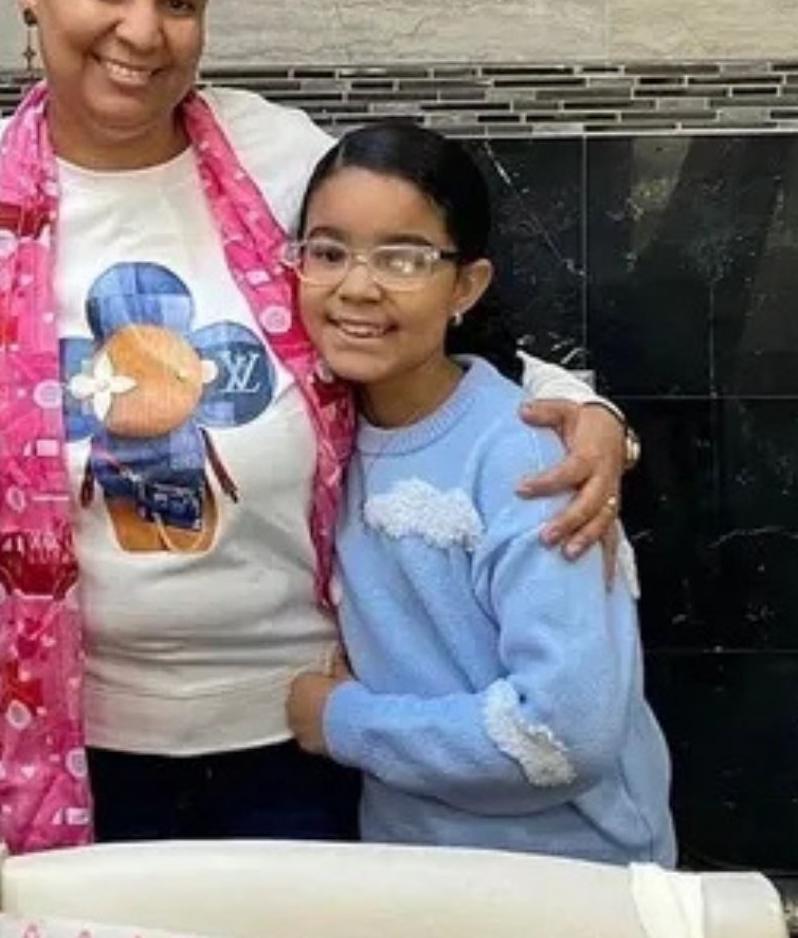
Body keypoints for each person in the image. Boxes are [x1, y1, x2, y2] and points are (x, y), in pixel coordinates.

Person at [0, 0, 635, 853]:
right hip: (51, 729)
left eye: (177, 0)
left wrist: (590, 417)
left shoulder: (280, 160)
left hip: (296, 721)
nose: (140, 32)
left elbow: (419, 313)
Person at [283, 120, 674, 865]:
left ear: (466, 285)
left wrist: (343, 721)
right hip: (411, 867)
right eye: (329, 252)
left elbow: (563, 732)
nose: (358, 286)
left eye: (404, 258)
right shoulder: (319, 434)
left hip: (565, 877)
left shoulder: (526, 458)